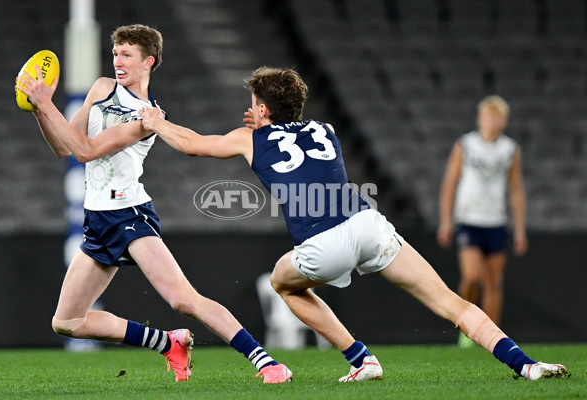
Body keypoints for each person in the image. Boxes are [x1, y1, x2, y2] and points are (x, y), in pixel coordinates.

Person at [139, 66, 569, 382]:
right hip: (369, 226)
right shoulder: (325, 130)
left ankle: (361, 359)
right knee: (449, 302)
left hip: (322, 244)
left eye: (254, 106)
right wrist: (266, 123)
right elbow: (289, 137)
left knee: (281, 282)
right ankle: (526, 364)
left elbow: (193, 144)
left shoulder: (248, 137)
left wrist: (157, 122)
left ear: (263, 109)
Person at [15, 25, 291, 384]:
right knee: (67, 322)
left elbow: (86, 151)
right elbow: (64, 147)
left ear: (149, 61)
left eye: (126, 54)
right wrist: (40, 110)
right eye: (115, 53)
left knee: (183, 300)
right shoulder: (101, 88)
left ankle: (266, 362)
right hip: (98, 218)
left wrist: (46, 103)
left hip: (129, 214)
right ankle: (168, 343)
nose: (118, 60)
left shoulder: (147, 116)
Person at [438, 95, 527, 348]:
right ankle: (467, 325)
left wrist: (520, 229)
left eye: (497, 116)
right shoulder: (466, 145)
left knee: (493, 283)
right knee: (471, 277)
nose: (492, 121)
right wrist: (445, 221)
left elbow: (515, 188)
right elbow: (450, 183)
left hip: (496, 221)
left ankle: (492, 339)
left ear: (504, 120)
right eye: (488, 115)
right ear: (480, 118)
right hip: (469, 219)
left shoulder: (510, 149)